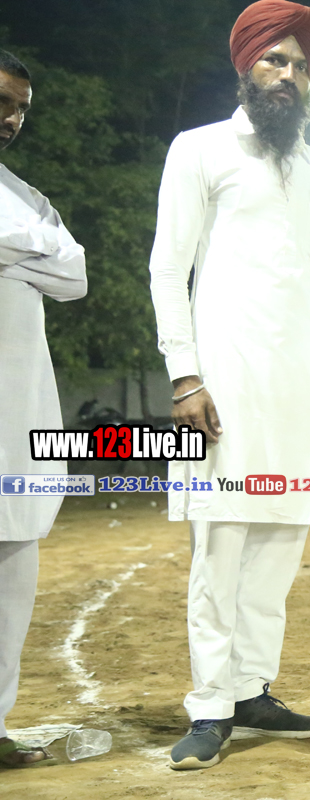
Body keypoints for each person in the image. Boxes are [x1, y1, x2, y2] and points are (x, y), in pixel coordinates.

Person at [148, 0, 310, 769]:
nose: (288, 74)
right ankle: (209, 706)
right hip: (223, 388)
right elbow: (168, 266)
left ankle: (250, 689)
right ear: (246, 66)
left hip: (303, 392)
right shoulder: (199, 149)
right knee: (221, 548)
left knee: (279, 548)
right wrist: (184, 374)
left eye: (300, 65)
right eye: (275, 59)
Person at [0, 49, 87, 768]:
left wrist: (12, 244)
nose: (10, 118)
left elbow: (75, 273)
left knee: (12, 586)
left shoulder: (23, 195)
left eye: (21, 109)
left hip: (17, 415)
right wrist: (38, 252)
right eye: (1, 101)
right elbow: (53, 259)